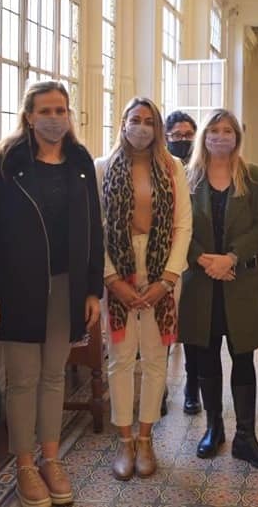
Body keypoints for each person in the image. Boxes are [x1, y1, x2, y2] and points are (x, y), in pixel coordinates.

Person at [0, 80, 103, 507]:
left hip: (66, 286)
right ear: (29, 116)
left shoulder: (81, 162)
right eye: (46, 111)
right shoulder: (5, 164)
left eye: (62, 110)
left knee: (53, 376)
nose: (55, 118)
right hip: (17, 286)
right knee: (22, 380)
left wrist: (93, 289)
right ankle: (24, 466)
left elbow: (94, 228)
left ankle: (50, 459)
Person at [96, 98, 192, 480]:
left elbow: (183, 224)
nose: (141, 126)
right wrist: (111, 280)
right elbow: (96, 227)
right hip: (116, 267)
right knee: (120, 358)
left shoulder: (174, 168)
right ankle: (125, 441)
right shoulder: (102, 167)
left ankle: (147, 437)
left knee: (155, 358)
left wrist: (167, 279)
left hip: (162, 264)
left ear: (157, 128)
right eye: (134, 120)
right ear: (122, 124)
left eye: (148, 121)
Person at [178, 109, 258, 470]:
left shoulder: (252, 176)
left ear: (237, 136)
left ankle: (246, 438)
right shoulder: (187, 177)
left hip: (241, 282)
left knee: (242, 357)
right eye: (214, 130)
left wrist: (230, 258)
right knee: (204, 357)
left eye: (228, 130)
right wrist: (204, 260)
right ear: (204, 136)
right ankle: (214, 428)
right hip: (200, 284)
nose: (221, 136)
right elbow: (178, 226)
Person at [164, 109, 201, 415]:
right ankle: (159, 390)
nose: (183, 140)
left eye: (188, 135)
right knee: (161, 331)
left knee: (191, 329)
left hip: (195, 260)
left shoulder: (201, 168)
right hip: (165, 260)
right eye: (176, 135)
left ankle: (192, 388)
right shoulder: (161, 167)